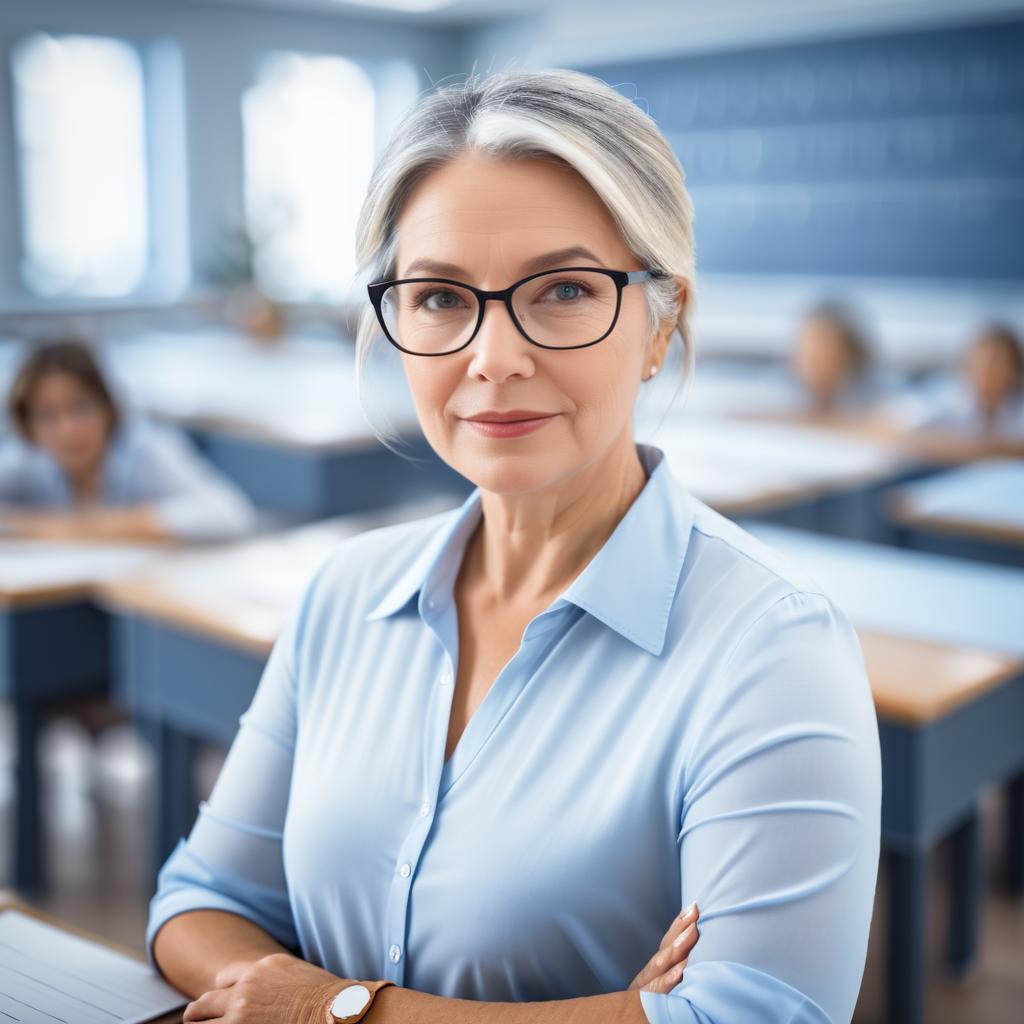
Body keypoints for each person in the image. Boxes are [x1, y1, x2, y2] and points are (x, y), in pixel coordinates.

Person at [148, 69, 881, 1024]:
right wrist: (610, 1012)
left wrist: (333, 1011)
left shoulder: (772, 650)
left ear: (666, 325)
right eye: (442, 298)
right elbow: (198, 900)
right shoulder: (344, 594)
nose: (493, 356)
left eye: (566, 289)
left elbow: (748, 1017)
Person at [0, 338, 258, 541]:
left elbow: (231, 515)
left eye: (80, 408)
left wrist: (77, 527)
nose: (67, 429)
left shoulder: (146, 448)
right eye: (47, 416)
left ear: (108, 408)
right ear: (28, 426)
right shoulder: (28, 458)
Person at [880, 323, 1024, 456]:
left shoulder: (1017, 406)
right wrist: (958, 448)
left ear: (1014, 369)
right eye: (983, 362)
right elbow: (883, 428)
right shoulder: (942, 399)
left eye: (999, 363)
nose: (989, 370)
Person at [790, 300, 886, 420]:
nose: (812, 358)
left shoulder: (876, 401)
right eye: (807, 348)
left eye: (823, 347)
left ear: (849, 354)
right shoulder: (784, 393)